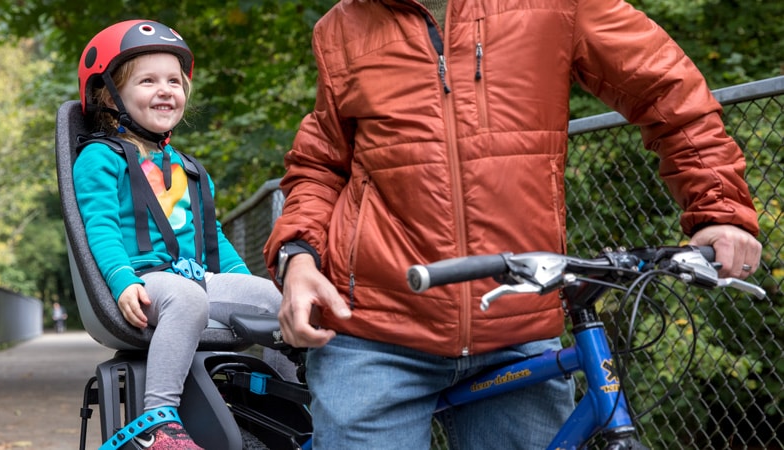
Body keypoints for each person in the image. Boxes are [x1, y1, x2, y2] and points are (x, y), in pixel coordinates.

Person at [264, 1, 763, 449]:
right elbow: (320, 165)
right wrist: (298, 256)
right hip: (374, 332)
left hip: (518, 322)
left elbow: (667, 90)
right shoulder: (343, 26)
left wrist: (719, 209)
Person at [74, 20, 282, 449]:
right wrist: (121, 280)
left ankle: (279, 400)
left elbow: (213, 237)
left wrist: (244, 279)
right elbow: (100, 227)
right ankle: (156, 420)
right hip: (146, 280)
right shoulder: (99, 157)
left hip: (196, 277)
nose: (166, 89)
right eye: (147, 80)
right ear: (106, 95)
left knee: (275, 300)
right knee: (188, 299)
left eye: (174, 80)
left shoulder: (187, 168)